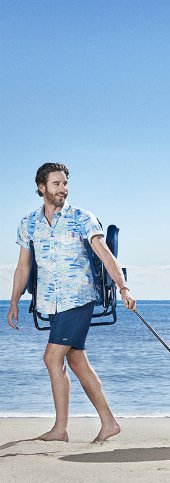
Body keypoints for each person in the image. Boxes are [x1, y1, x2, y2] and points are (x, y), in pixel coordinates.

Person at [7, 162, 136, 443]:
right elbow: (22, 267)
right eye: (56, 184)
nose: (62, 189)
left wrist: (123, 287)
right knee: (76, 361)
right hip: (49, 302)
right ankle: (109, 422)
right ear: (42, 188)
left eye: (65, 183)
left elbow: (104, 254)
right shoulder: (28, 223)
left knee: (52, 357)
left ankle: (60, 429)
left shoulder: (82, 218)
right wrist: (13, 301)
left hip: (78, 299)